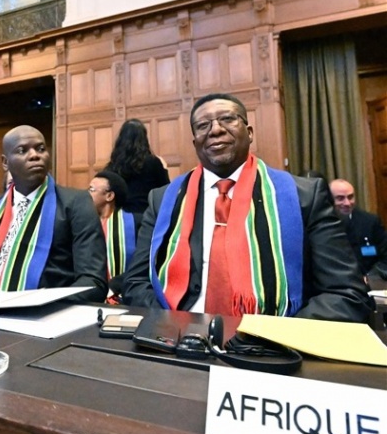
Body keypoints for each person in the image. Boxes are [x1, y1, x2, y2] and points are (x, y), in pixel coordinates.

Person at [123, 93, 373, 322]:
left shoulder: (304, 196)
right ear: (195, 141)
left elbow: (346, 293)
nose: (215, 130)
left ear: (250, 132)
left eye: (227, 119)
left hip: (273, 342)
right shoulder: (163, 200)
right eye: (203, 125)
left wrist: (276, 334)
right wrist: (173, 325)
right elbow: (136, 282)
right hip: (180, 337)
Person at [0, 126, 107, 303]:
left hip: (47, 312)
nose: (35, 155)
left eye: (41, 149)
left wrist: (40, 304)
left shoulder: (75, 203)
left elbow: (92, 281)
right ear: (5, 163)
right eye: (22, 150)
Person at [89, 170, 139, 301]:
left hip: (126, 295)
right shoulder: (84, 224)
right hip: (91, 294)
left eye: (92, 190)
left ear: (109, 196)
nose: (86, 194)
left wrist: (115, 286)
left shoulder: (136, 223)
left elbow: (141, 265)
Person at [103, 119, 169, 214]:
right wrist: (165, 170)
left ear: (121, 139)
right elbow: (166, 191)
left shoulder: (112, 165)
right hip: (148, 216)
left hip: (121, 218)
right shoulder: (153, 162)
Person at [329, 179, 387, 279]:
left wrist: (371, 278)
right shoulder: (321, 224)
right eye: (340, 198)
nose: (347, 203)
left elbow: (385, 258)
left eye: (350, 197)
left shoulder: (370, 222)